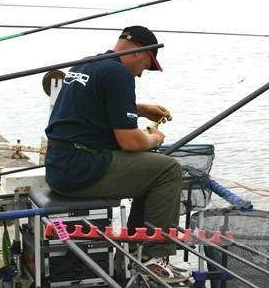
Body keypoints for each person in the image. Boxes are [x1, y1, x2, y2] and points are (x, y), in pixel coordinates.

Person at [45, 26, 190, 283]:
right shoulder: (119, 73)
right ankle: (154, 258)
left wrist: (142, 110)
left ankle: (138, 251)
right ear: (138, 51)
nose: (142, 73)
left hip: (59, 164)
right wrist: (154, 138)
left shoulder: (88, 64)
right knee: (168, 169)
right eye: (147, 64)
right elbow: (130, 142)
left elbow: (96, 103)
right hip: (82, 169)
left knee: (152, 170)